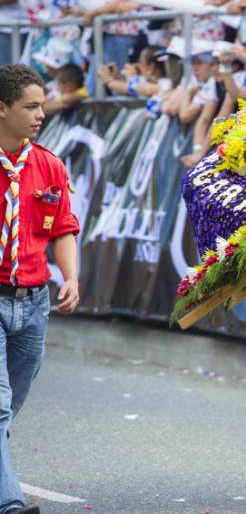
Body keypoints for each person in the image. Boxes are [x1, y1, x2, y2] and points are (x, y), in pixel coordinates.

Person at [0, 64, 80, 514]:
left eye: (42, 105)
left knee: (10, 408)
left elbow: (63, 229)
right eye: (30, 106)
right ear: (2, 108)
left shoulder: (48, 165)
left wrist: (70, 277)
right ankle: (10, 504)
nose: (40, 115)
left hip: (33, 302)